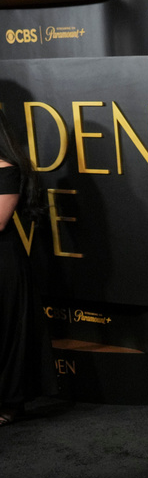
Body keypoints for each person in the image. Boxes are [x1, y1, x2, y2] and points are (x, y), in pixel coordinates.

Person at [0, 107, 47, 426]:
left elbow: (0, 221)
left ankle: (9, 404)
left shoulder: (7, 170)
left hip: (4, 264)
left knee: (5, 333)